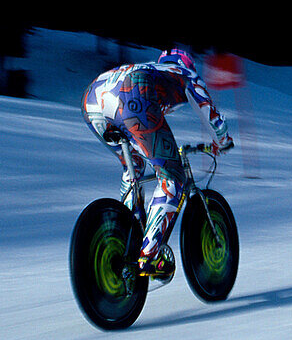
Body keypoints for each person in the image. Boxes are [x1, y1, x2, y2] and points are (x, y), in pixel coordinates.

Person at [82, 48, 233, 280]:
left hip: (93, 98)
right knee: (173, 176)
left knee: (134, 166)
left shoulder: (153, 67)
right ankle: (149, 255)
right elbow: (208, 110)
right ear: (188, 64)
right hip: (132, 93)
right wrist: (222, 141)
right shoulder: (184, 73)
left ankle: (125, 231)